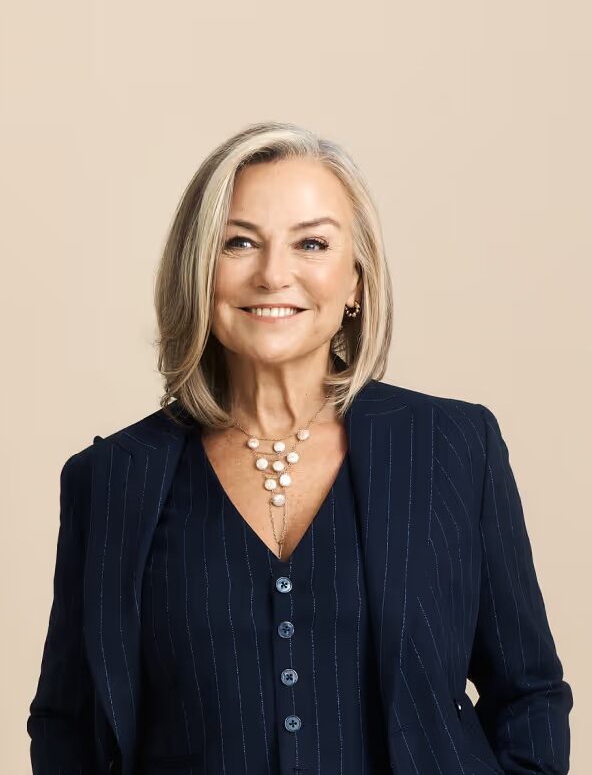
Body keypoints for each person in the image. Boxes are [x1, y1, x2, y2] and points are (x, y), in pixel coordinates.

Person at [27, 121, 573, 775]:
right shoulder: (110, 479)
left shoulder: (454, 448)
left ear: (356, 283)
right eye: (239, 243)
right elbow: (67, 723)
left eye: (311, 242)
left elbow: (529, 695)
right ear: (197, 269)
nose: (273, 274)